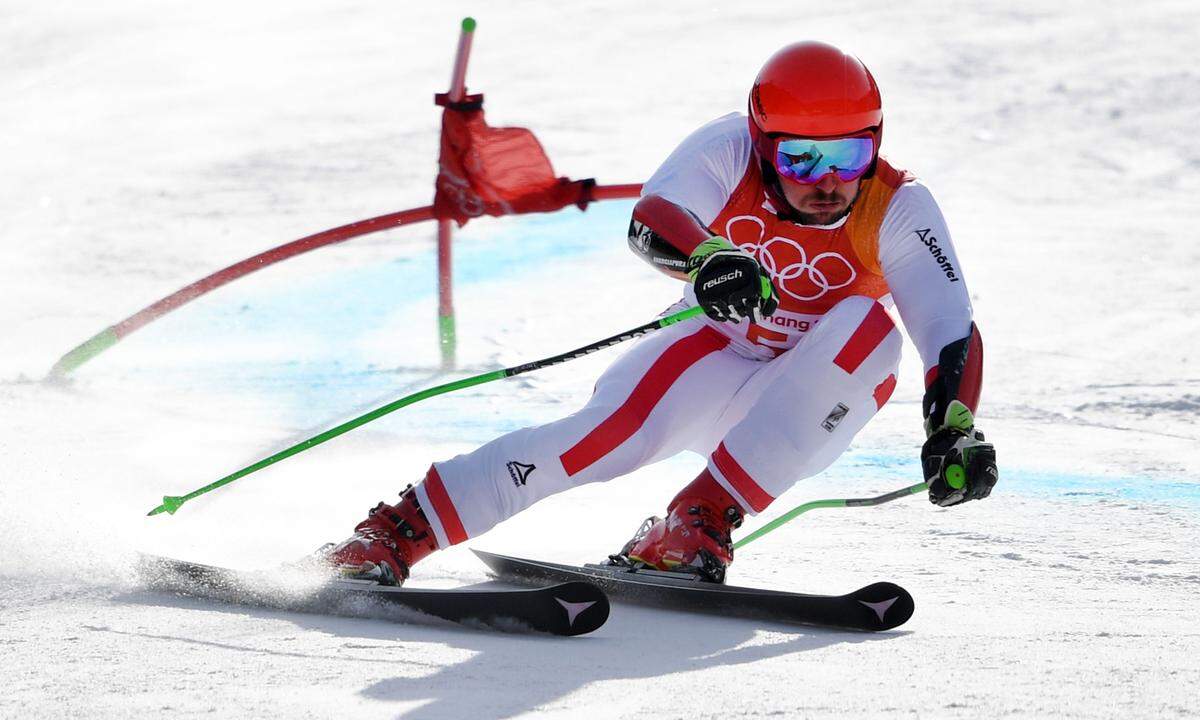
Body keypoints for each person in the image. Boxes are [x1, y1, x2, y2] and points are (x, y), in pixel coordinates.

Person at [322, 41, 998, 585]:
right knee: (595, 441)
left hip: (802, 408)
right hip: (712, 354)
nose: (826, 180)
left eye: (850, 154)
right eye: (800, 156)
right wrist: (707, 257)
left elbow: (950, 326)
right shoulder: (725, 150)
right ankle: (398, 531)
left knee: (870, 331)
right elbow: (654, 217)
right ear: (764, 145)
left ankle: (699, 519)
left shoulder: (899, 207)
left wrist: (955, 426)